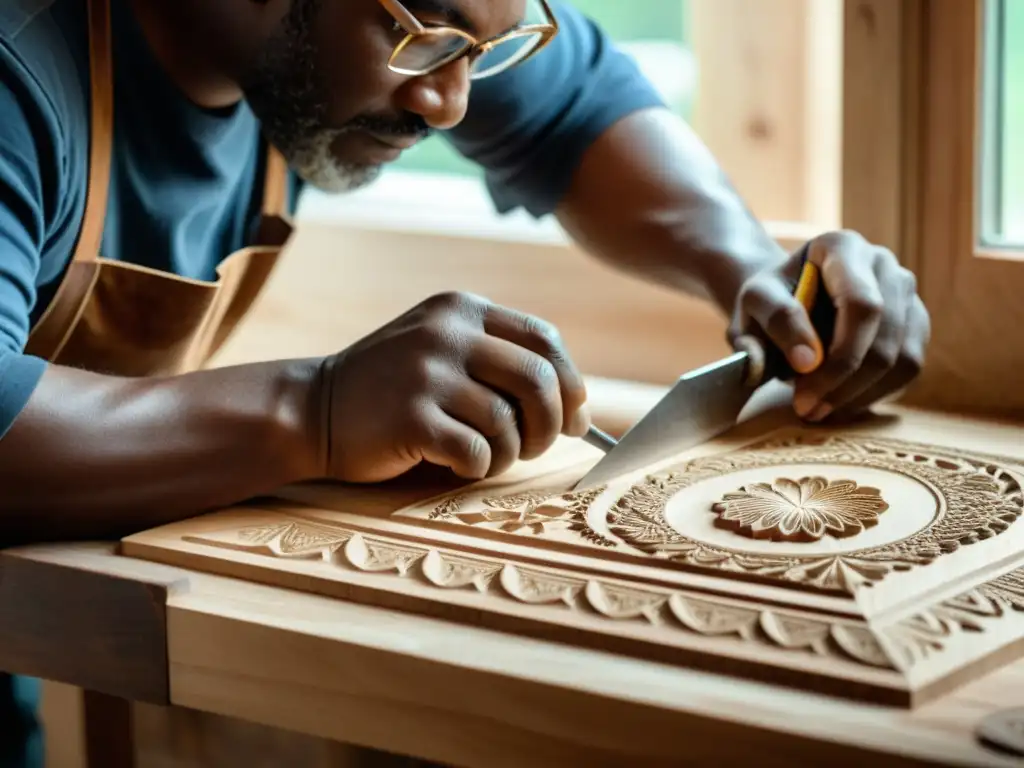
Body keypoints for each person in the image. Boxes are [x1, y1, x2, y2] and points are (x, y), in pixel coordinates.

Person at [0, 0, 929, 764]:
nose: (450, 101)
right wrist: (312, 410)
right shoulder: (19, 68)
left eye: (482, 51)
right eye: (427, 39)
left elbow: (577, 112)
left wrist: (753, 272)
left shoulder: (365, 35)